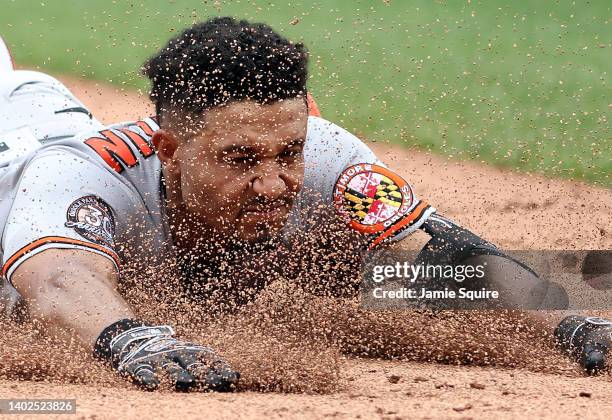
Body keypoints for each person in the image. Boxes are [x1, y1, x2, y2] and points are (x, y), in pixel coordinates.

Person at [0, 17, 609, 392]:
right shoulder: (81, 178)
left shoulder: (330, 159)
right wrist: (136, 342)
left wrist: (571, 319)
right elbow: (59, 283)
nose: (273, 183)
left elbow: (442, 255)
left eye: (288, 152)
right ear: (171, 151)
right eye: (241, 159)